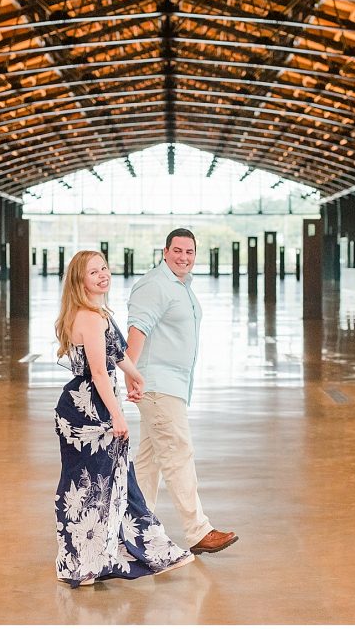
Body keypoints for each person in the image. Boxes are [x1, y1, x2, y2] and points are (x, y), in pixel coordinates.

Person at [53, 250, 194, 588]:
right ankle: (90, 561)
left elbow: (116, 353)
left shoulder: (96, 312)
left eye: (104, 268)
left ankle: (86, 559)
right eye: (93, 272)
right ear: (80, 281)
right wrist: (118, 416)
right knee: (94, 485)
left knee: (102, 482)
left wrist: (134, 375)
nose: (103, 275)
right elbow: (100, 373)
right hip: (90, 411)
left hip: (83, 405)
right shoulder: (91, 317)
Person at [126, 229, 238, 555]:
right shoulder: (155, 285)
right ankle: (198, 530)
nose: (183, 257)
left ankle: (135, 530)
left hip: (170, 385)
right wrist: (131, 375)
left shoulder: (182, 286)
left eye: (189, 252)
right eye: (177, 251)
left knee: (149, 462)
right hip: (157, 386)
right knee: (178, 453)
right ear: (165, 251)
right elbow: (138, 329)